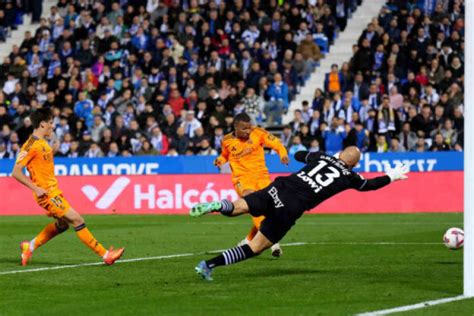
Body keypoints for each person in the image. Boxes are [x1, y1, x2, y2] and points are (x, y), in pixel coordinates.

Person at [191, 146, 409, 280]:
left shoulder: (321, 157)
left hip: (279, 187)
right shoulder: (350, 176)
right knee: (255, 247)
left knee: (239, 207)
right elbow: (370, 185)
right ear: (355, 164)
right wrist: (392, 176)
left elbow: (298, 154)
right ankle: (207, 265)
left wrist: (319, 155)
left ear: (340, 153)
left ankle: (218, 205)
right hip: (291, 206)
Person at [12, 108, 124, 266]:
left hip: (53, 191)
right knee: (77, 219)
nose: (53, 126)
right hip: (47, 194)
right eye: (51, 123)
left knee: (63, 225)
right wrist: (36, 189)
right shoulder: (30, 145)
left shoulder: (42, 143)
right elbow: (16, 172)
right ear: (43, 124)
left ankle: (29, 246)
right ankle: (106, 255)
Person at [214, 113, 289, 258]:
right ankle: (272, 240)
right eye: (244, 129)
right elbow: (225, 155)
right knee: (251, 200)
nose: (248, 131)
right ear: (235, 127)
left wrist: (283, 154)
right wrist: (220, 160)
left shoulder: (258, 132)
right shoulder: (227, 140)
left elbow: (277, 144)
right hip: (242, 179)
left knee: (266, 209)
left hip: (262, 177)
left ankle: (247, 240)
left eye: (249, 128)